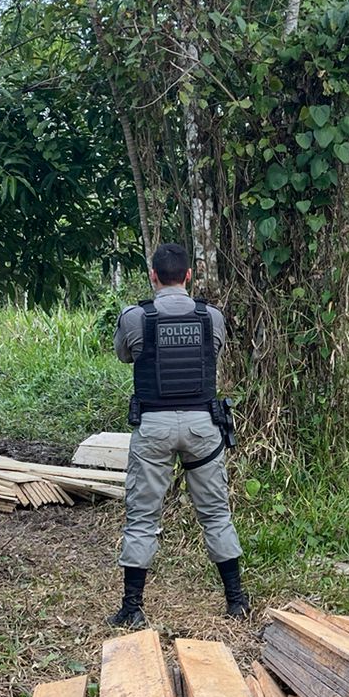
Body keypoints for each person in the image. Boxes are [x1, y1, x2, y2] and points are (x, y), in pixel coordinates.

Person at [109, 242, 247, 626]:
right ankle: (236, 600)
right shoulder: (211, 317)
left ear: (153, 276)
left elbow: (124, 355)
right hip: (202, 426)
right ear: (188, 275)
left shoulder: (135, 317)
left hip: (154, 427)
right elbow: (213, 352)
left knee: (142, 517)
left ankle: (132, 608)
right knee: (216, 514)